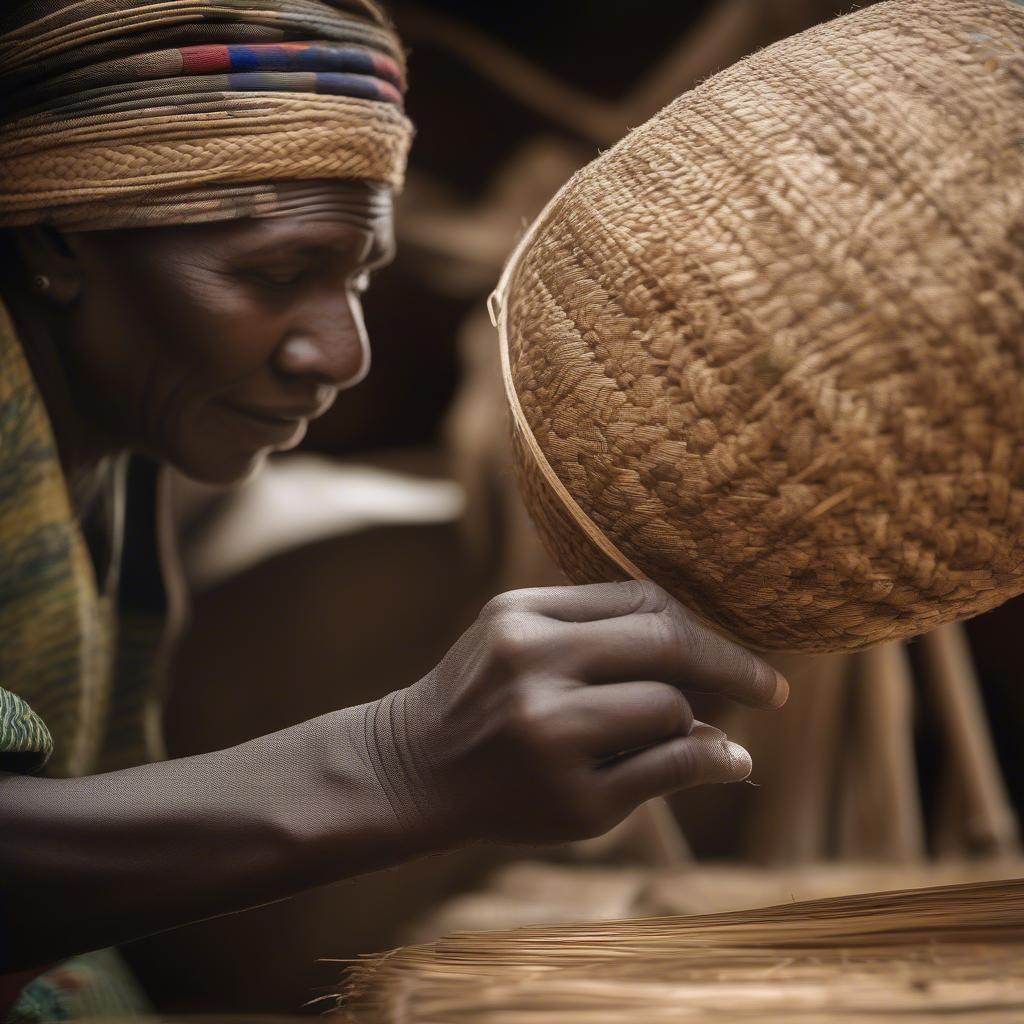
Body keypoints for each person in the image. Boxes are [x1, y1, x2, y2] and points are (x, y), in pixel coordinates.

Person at [0, 0, 788, 1017]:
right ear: (59, 240)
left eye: (359, 278)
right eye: (278, 274)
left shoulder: (119, 460)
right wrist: (395, 762)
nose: (343, 354)